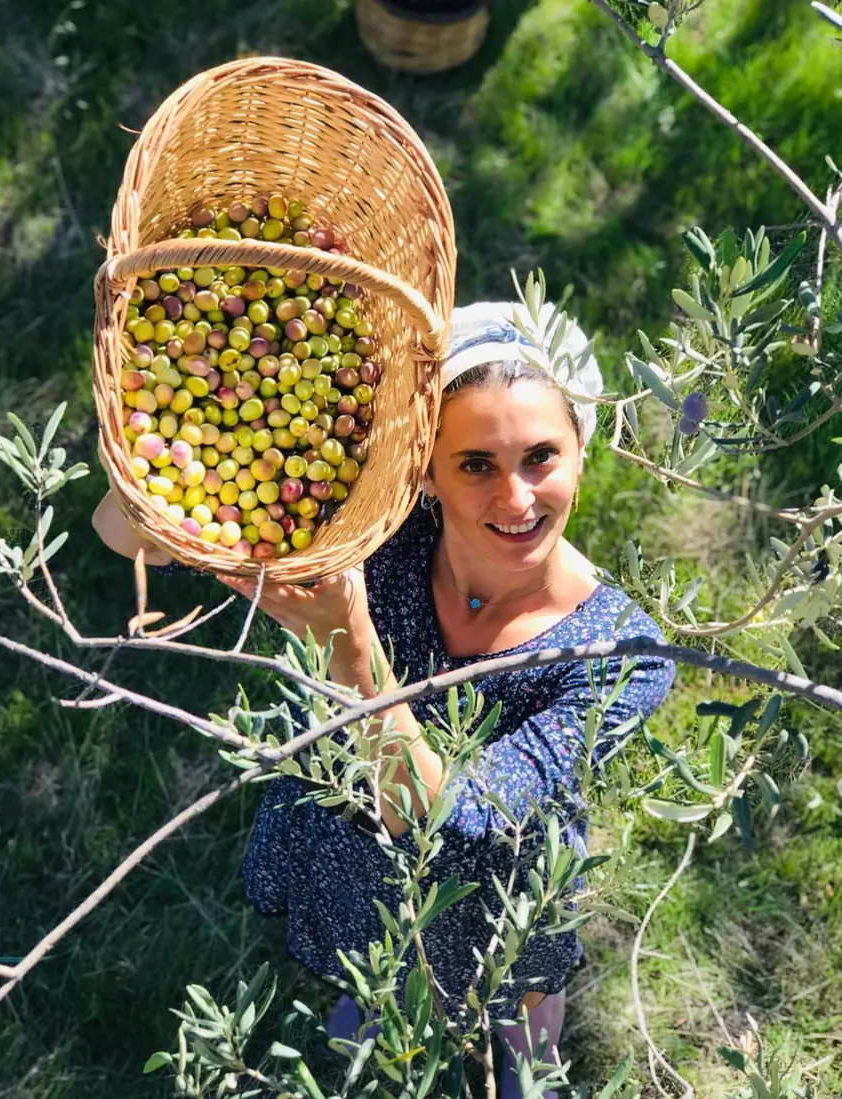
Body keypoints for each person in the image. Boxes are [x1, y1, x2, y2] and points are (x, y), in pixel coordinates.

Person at [93, 296, 675, 1098]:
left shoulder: (621, 652)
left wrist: (349, 647)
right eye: (476, 463)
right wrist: (168, 435)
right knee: (373, 984)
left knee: (524, 1021)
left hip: (504, 881)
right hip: (353, 841)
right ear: (426, 473)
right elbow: (125, 535)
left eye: (541, 455)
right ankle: (378, 1008)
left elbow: (456, 821)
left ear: (582, 449)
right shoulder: (376, 534)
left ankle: (519, 1067)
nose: (515, 499)